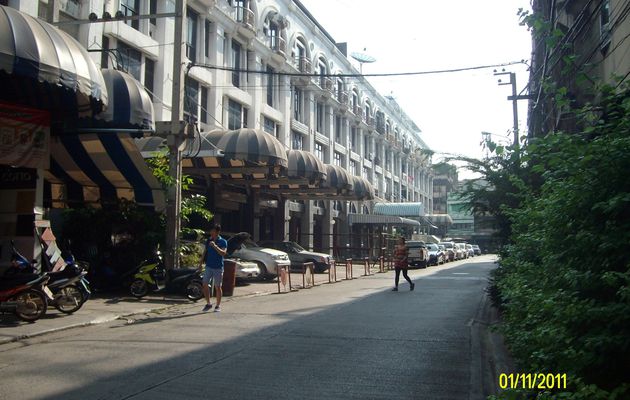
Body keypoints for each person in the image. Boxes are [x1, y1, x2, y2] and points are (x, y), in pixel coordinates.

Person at [200, 224, 228, 312]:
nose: (211, 232)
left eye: (212, 231)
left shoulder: (223, 241)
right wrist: (200, 263)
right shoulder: (209, 240)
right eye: (210, 231)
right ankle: (208, 303)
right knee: (204, 284)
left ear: (217, 232)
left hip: (218, 267)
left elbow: (223, 253)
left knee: (218, 286)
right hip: (208, 266)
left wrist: (215, 246)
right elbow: (205, 252)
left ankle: (218, 305)